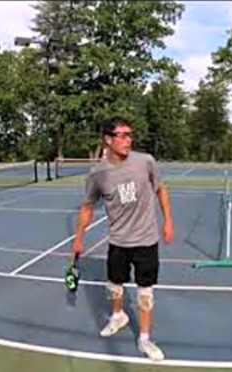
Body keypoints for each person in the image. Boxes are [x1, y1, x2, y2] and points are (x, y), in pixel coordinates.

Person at [71, 116, 173, 362]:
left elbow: (161, 189)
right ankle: (118, 316)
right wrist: (79, 237)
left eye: (130, 134)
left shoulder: (145, 161)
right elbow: (87, 206)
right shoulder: (97, 173)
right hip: (118, 241)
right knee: (114, 286)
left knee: (145, 293)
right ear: (108, 139)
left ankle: (145, 339)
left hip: (146, 240)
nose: (129, 139)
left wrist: (168, 220)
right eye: (123, 135)